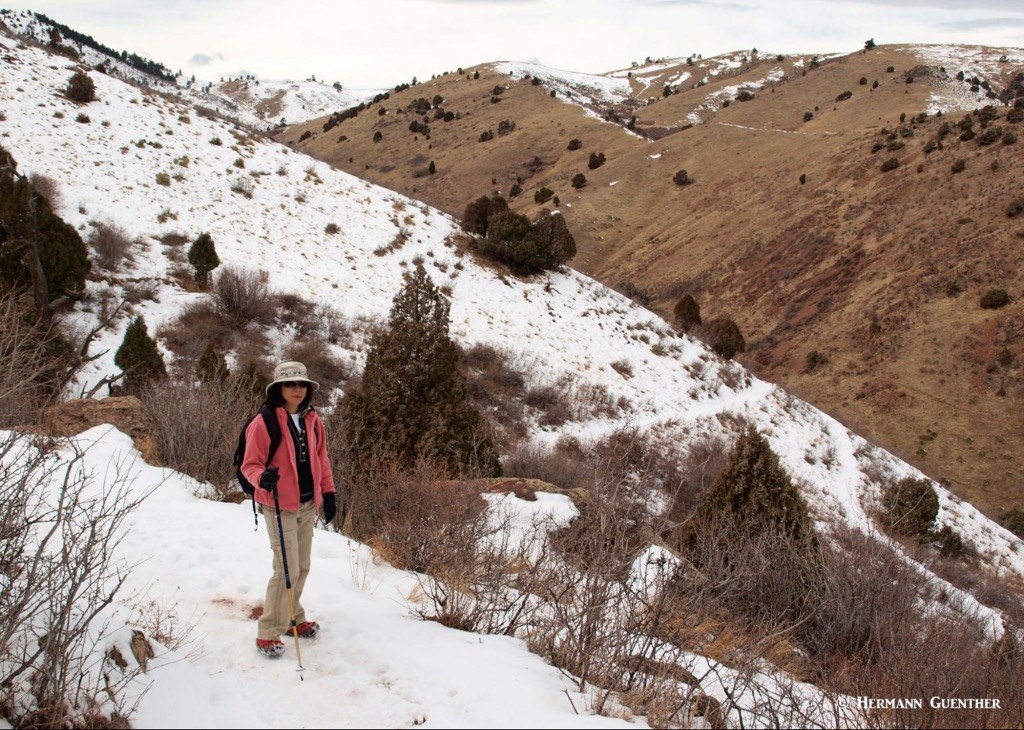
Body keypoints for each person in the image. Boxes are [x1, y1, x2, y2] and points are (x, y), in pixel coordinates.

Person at [241, 361, 337, 658]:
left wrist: (329, 492)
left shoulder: (311, 419)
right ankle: (268, 632)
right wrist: (262, 478)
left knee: (302, 566)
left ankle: (293, 618)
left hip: (307, 504)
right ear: (278, 389)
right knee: (286, 569)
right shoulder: (264, 422)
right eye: (290, 384)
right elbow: (250, 465)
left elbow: (321, 458)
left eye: (301, 385)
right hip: (279, 505)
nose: (297, 389)